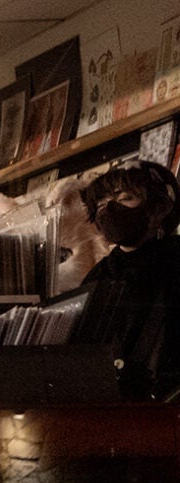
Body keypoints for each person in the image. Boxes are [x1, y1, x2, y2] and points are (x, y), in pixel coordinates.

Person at [72, 160, 180, 401]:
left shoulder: (175, 261)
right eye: (100, 203)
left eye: (125, 198)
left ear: (158, 208)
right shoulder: (100, 274)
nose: (110, 208)